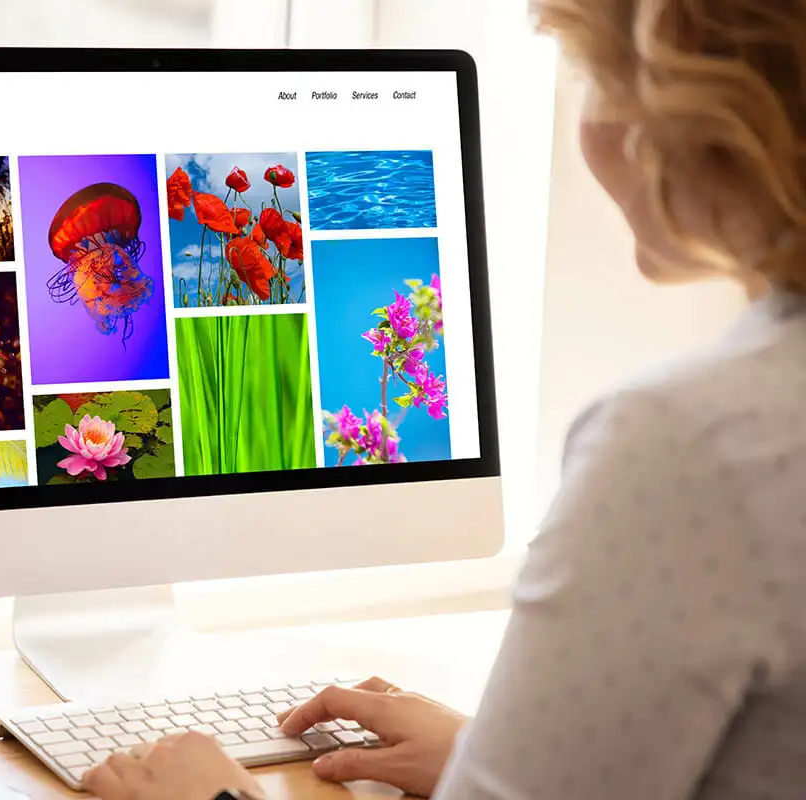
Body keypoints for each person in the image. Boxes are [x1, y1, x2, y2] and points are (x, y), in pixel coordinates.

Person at [85, 0, 806, 797]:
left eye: (598, 83)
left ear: (692, 111)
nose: (592, 133)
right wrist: (498, 759)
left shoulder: (685, 450)